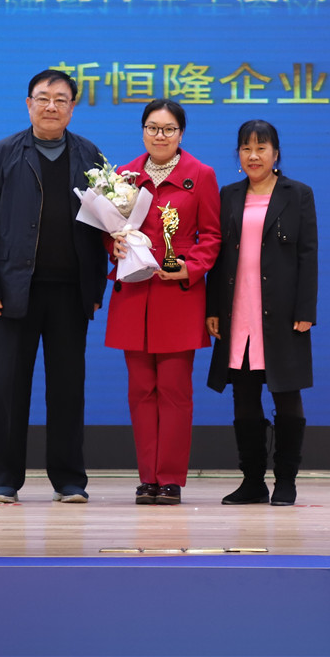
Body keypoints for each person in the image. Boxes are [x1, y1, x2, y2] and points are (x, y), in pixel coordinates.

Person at [0, 70, 110, 505]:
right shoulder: (2, 153)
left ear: (73, 107)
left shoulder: (90, 154)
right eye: (43, 98)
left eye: (61, 99)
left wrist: (96, 288)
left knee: (68, 387)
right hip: (15, 291)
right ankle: (5, 479)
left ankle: (69, 479)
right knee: (8, 388)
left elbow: (104, 225)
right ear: (28, 104)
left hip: (70, 291)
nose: (52, 106)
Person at [105, 99, 221, 505]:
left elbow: (212, 236)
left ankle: (170, 478)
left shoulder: (201, 175)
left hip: (177, 295)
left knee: (174, 390)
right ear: (142, 131)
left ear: (181, 134)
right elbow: (109, 232)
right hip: (135, 293)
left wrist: (189, 267)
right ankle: (147, 478)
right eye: (153, 128)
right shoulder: (123, 176)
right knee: (140, 391)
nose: (160, 135)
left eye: (169, 129)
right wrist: (113, 247)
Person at [205, 119, 318, 506]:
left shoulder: (298, 194)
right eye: (246, 148)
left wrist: (306, 308)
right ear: (238, 154)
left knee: (287, 396)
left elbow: (308, 255)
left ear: (276, 153)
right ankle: (252, 480)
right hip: (238, 310)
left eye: (261, 148)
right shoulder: (228, 195)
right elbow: (218, 256)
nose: (253, 156)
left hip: (283, 311)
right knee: (244, 399)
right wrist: (213, 308)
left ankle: (286, 480)